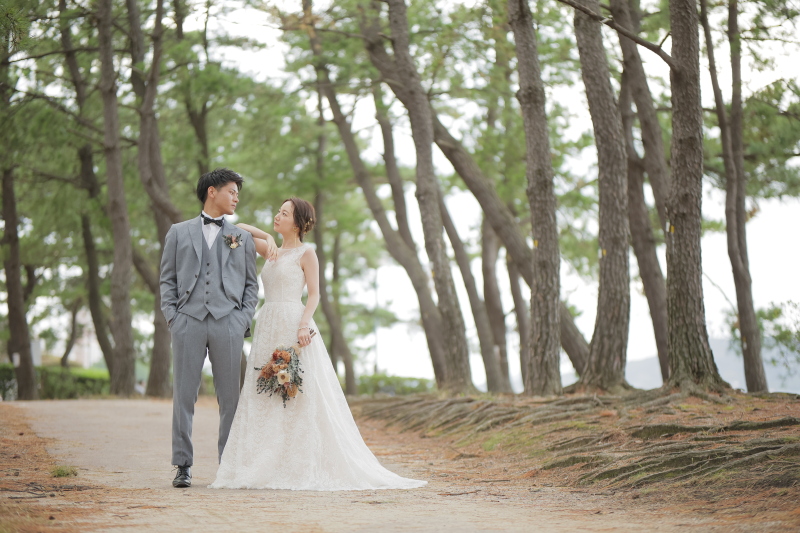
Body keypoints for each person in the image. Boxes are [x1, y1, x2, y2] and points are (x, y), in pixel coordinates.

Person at [210, 197, 426, 490]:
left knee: (297, 392)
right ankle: (265, 460)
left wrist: (303, 325)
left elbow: (314, 295)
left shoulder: (306, 253)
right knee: (265, 390)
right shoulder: (270, 250)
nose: (277, 215)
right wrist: (266, 236)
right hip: (268, 322)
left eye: (283, 213)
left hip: (292, 321)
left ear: (298, 223)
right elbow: (233, 230)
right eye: (278, 210)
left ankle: (296, 462)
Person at [159, 168, 276, 488]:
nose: (237, 197)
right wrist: (173, 317)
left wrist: (241, 320)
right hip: (188, 323)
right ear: (212, 192)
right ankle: (182, 464)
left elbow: (252, 286)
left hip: (228, 324)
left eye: (239, 192)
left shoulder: (241, 236)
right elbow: (167, 280)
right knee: (183, 396)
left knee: (231, 399)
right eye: (231, 191)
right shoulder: (178, 232)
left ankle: (229, 465)